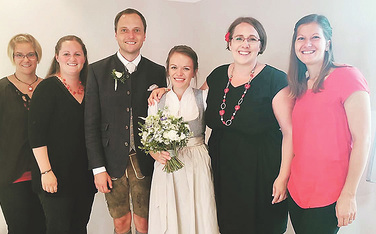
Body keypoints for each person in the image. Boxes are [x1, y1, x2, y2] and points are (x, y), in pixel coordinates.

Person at [205, 17, 293, 233]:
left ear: (260, 45)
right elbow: (189, 101)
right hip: (223, 173)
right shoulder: (217, 76)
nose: (245, 44)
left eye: (252, 39)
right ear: (229, 42)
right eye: (239, 38)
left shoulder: (276, 79)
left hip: (261, 174)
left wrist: (283, 178)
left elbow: (290, 133)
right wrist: (165, 93)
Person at [84, 8, 167, 234]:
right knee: (121, 223)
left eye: (136, 30)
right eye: (124, 30)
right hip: (111, 162)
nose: (131, 35)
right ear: (116, 34)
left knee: (145, 223)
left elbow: (163, 117)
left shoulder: (158, 71)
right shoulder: (97, 71)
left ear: (144, 35)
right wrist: (97, 169)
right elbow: (90, 124)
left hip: (147, 161)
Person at [287, 14, 371, 233]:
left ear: (328, 43)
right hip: (297, 192)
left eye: (315, 37)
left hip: (329, 195)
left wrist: (349, 194)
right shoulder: (300, 85)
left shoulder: (348, 76)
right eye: (300, 38)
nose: (307, 44)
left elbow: (363, 140)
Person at [0, 33, 46, 234]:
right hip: (11, 177)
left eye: (31, 54)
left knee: (46, 228)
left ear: (38, 56)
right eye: (19, 55)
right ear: (13, 58)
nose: (26, 60)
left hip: (45, 176)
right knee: (20, 229)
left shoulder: (49, 88)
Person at [147, 45, 219, 234]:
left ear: (195, 71)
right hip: (167, 163)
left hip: (197, 161)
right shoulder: (157, 100)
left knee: (199, 210)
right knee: (170, 214)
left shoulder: (203, 97)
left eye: (186, 68)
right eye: (174, 67)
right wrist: (155, 153)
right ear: (167, 70)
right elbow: (149, 136)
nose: (179, 73)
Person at [28, 35, 96, 234]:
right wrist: (46, 172)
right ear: (57, 57)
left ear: (84, 58)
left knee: (79, 228)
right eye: (66, 54)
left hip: (84, 177)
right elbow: (36, 133)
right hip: (54, 177)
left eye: (77, 53)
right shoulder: (47, 88)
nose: (72, 58)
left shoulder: (90, 89)